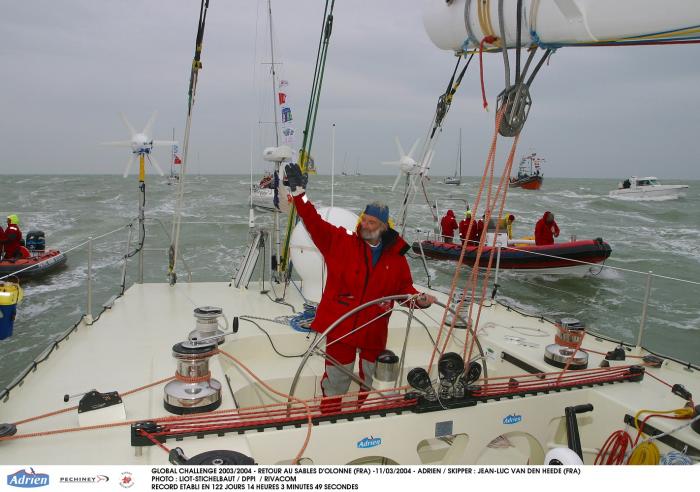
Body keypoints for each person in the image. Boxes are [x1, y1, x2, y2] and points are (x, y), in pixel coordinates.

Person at [285, 163, 436, 411]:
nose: (365, 225)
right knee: (335, 383)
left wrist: (419, 300)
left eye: (372, 222)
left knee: (371, 386)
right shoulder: (340, 243)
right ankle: (329, 417)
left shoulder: (396, 259)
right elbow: (313, 221)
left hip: (374, 332)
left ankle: (365, 419)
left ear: (384, 227)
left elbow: (404, 291)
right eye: (364, 220)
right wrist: (300, 194)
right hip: (341, 328)